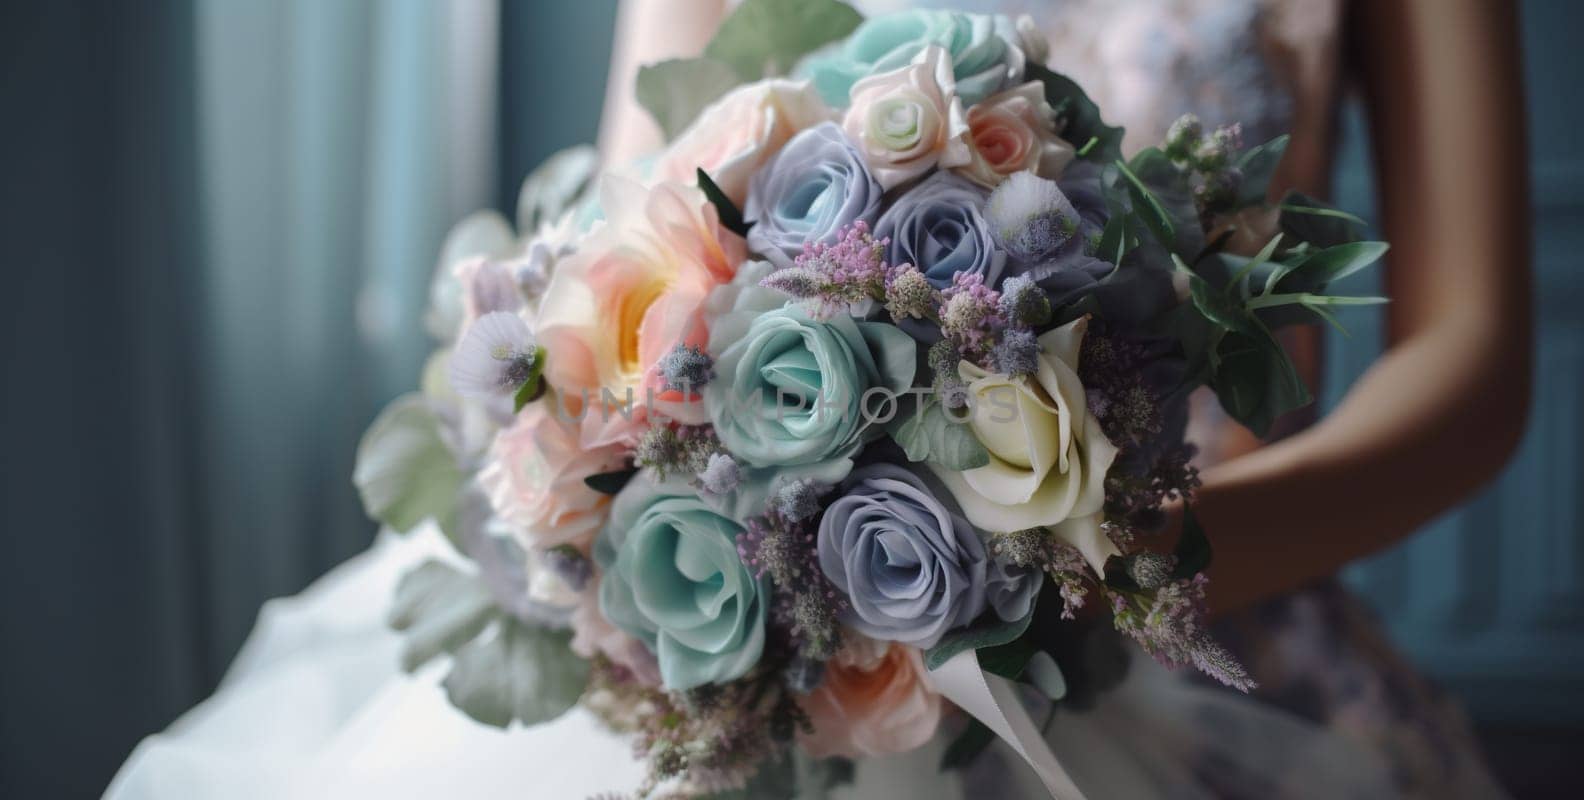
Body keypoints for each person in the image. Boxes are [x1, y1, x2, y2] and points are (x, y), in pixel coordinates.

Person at [108, 1, 1527, 797]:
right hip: (801, 649)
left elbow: (1471, 359)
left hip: (1212, 606)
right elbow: (647, 226)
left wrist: (1141, 558)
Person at [601, 0, 1527, 797]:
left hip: (1233, 620)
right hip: (832, 675)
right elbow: (627, 265)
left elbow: (1469, 355)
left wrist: (1136, 569)